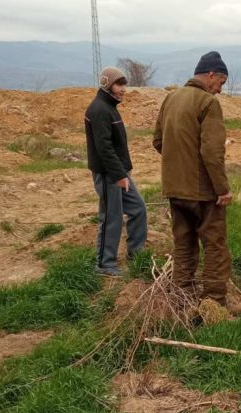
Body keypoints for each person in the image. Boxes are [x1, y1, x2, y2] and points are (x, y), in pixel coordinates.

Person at [153, 51, 232, 305]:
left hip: (175, 189)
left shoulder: (171, 99)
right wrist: (222, 189)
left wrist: (180, 163)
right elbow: (212, 152)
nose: (219, 90)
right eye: (220, 82)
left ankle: (181, 299)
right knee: (215, 247)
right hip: (203, 193)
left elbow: (158, 141)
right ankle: (214, 303)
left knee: (184, 245)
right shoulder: (208, 103)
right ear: (211, 76)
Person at [85, 66, 147, 276]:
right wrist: (119, 175)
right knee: (111, 217)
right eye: (119, 84)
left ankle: (136, 256)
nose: (123, 90)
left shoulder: (109, 107)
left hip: (119, 173)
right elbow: (104, 148)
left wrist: (123, 173)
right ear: (107, 84)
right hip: (109, 175)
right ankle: (105, 264)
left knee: (138, 208)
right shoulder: (100, 109)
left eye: (124, 85)